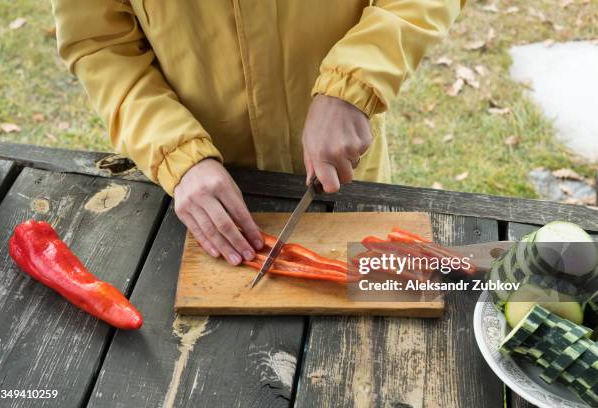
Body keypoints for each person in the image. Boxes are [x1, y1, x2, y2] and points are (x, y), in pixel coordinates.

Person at [52, 0, 463, 265]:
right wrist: (175, 151)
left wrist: (354, 84)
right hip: (196, 193)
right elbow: (99, 43)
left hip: (344, 169)